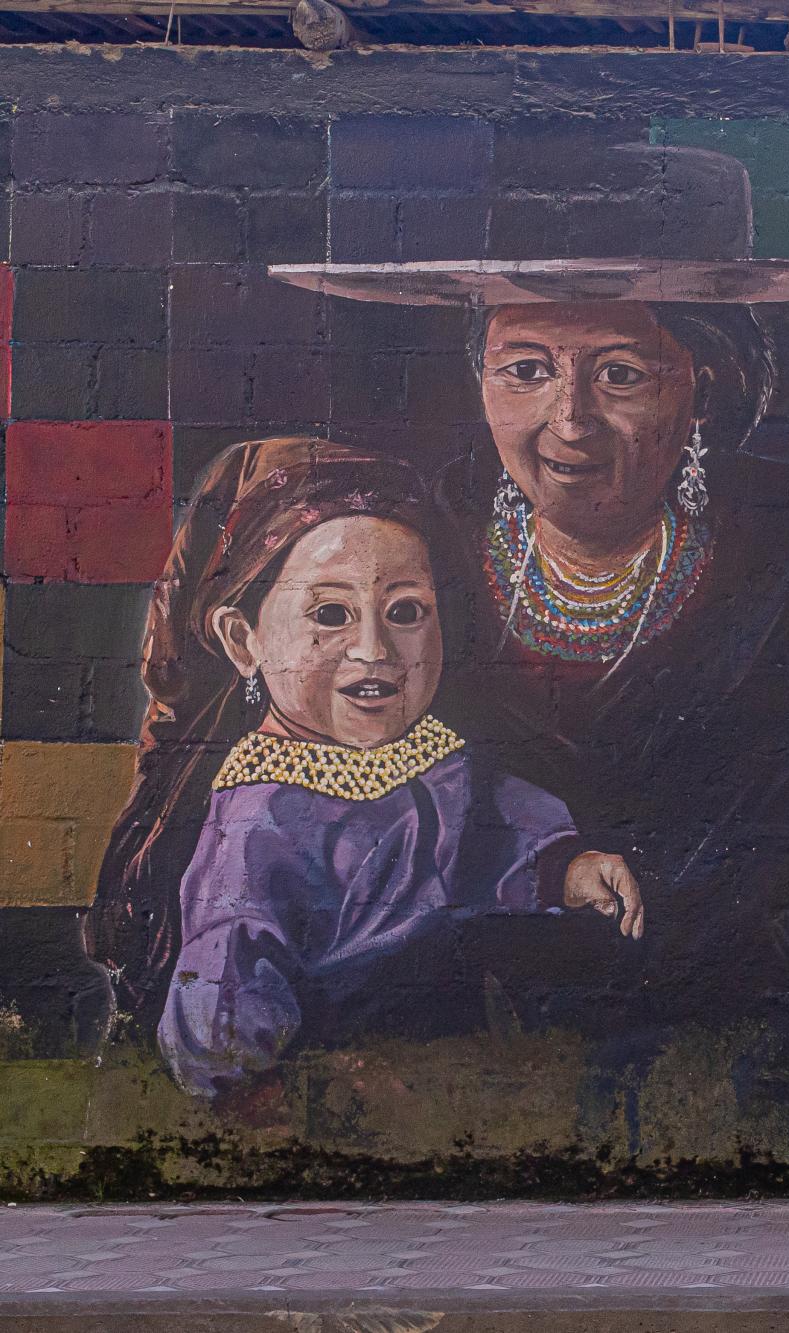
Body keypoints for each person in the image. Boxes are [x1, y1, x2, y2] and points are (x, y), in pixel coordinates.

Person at [266, 145, 789, 1159]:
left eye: (621, 373)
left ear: (705, 387)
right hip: (467, 1071)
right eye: (526, 369)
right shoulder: (418, 538)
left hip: (745, 1069)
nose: (568, 422)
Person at [86, 438, 640, 1101]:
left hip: (453, 1062)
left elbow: (489, 841)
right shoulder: (256, 826)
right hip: (338, 1081)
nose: (374, 650)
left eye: (405, 611)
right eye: (329, 615)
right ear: (244, 640)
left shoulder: (434, 758)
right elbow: (220, 1003)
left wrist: (567, 871)